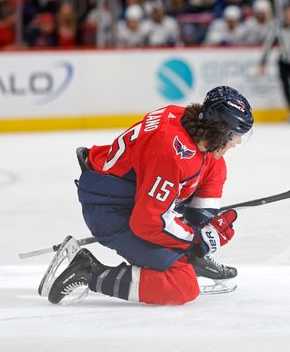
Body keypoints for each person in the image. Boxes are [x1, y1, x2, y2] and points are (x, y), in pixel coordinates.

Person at [45, 86, 253, 306]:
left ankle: (191, 255)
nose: (238, 142)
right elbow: (147, 222)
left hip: (130, 192)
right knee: (182, 285)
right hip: (110, 208)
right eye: (236, 135)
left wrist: (200, 233)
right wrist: (196, 240)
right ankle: (89, 272)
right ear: (221, 131)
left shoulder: (184, 119)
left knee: (215, 164)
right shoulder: (171, 153)